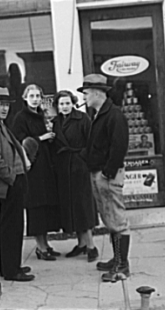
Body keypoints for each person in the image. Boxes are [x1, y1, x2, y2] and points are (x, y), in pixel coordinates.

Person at [78, 74, 130, 282]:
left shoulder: (114, 115)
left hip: (107, 175)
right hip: (99, 173)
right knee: (109, 219)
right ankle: (116, 259)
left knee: (117, 221)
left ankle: (122, 266)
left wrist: (107, 173)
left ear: (98, 93)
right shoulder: (100, 114)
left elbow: (119, 147)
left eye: (87, 93)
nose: (85, 97)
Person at [0, 87, 34, 282]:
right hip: (9, 183)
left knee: (11, 226)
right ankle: (11, 270)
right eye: (0, 104)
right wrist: (12, 179)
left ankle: (10, 266)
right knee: (12, 227)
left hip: (12, 181)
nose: (4, 108)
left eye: (6, 105)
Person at [10, 84, 61, 261]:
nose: (35, 99)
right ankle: (40, 247)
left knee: (46, 207)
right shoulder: (20, 117)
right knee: (37, 207)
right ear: (25, 98)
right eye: (32, 96)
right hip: (33, 167)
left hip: (46, 167)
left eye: (38, 96)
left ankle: (46, 244)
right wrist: (42, 138)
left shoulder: (42, 115)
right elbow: (19, 141)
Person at [51, 90, 99, 262]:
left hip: (79, 167)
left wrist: (83, 159)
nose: (65, 107)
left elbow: (92, 142)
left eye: (68, 103)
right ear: (57, 106)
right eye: (61, 104)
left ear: (73, 103)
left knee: (83, 206)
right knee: (72, 207)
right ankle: (81, 244)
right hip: (64, 169)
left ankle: (91, 246)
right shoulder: (55, 122)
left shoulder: (83, 119)